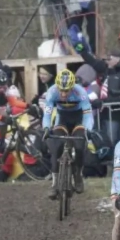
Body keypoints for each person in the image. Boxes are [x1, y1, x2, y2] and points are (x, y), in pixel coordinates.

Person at [42, 69, 93, 199]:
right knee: (56, 148)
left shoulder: (80, 93)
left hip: (78, 120)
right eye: (61, 90)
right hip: (62, 119)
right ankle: (54, 184)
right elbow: (47, 114)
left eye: (67, 91)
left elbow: (88, 114)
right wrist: (47, 128)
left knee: (80, 147)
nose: (63, 94)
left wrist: (87, 130)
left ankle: (78, 175)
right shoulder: (52, 92)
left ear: (72, 87)